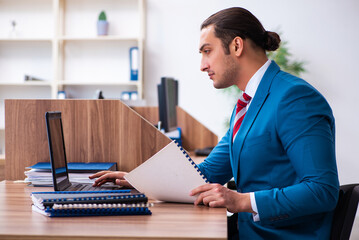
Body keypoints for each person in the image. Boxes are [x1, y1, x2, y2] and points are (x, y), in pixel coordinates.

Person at [90, 7, 339, 239]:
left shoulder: (294, 98)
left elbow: (322, 191)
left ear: (237, 45)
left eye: (207, 51)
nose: (202, 65)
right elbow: (205, 174)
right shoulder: (248, 103)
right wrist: (139, 179)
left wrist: (241, 201)